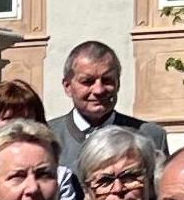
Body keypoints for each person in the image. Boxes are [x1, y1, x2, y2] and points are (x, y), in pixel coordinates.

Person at [55, 39, 172, 168]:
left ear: (118, 84)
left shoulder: (150, 136)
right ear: (68, 86)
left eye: (107, 80)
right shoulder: (48, 138)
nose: (99, 90)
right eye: (87, 81)